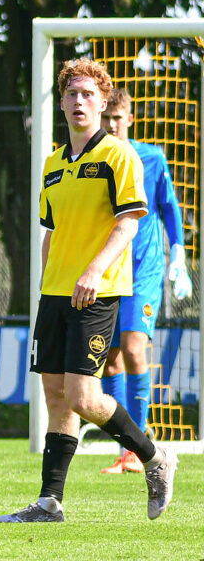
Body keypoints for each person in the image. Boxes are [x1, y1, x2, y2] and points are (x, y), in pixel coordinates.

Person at [0, 58, 177, 524]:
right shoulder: (54, 164)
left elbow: (130, 221)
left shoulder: (119, 155)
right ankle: (49, 502)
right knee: (55, 396)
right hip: (55, 292)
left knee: (83, 397)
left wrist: (95, 270)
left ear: (102, 102)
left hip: (97, 290)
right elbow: (51, 232)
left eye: (88, 95)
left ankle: (155, 458)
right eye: (72, 94)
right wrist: (44, 284)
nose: (79, 101)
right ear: (61, 102)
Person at [98, 87, 192, 474]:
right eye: (107, 118)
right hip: (106, 271)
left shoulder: (150, 157)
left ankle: (141, 447)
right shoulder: (94, 161)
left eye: (118, 118)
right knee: (111, 359)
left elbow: (169, 208)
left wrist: (180, 254)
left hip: (145, 270)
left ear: (130, 120)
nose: (111, 125)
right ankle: (127, 451)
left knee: (135, 349)